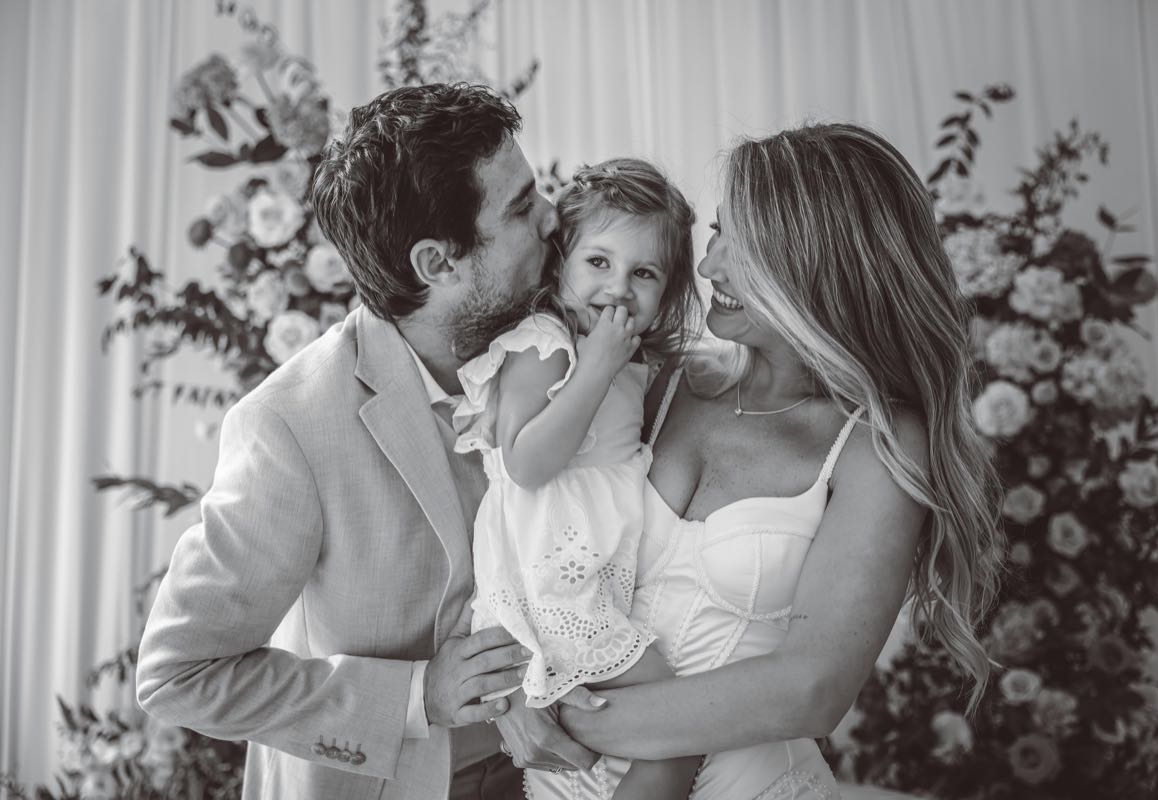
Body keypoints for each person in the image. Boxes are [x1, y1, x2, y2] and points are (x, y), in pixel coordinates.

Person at [136, 83, 598, 800]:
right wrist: (419, 695)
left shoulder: (573, 335)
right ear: (437, 264)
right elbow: (178, 674)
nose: (552, 216)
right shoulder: (290, 425)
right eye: (519, 207)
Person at [514, 123, 1005, 799]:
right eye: (717, 233)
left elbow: (812, 688)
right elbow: (526, 534)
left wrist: (562, 714)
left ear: (817, 266)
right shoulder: (651, 380)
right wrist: (510, 696)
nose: (708, 267)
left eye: (743, 248)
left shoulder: (878, 444)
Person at [452, 159, 702, 798]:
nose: (618, 287)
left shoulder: (628, 359)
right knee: (674, 720)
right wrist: (593, 369)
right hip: (550, 581)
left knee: (646, 735)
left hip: (589, 571)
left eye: (644, 273)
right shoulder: (546, 343)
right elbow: (525, 464)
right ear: (560, 260)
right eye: (599, 262)